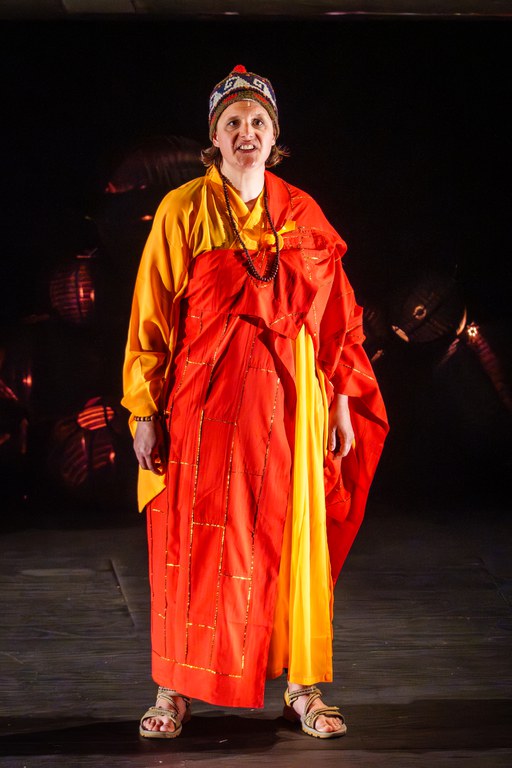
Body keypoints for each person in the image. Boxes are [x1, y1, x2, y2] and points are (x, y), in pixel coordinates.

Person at [122, 65, 388, 740]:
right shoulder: (184, 209)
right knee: (190, 546)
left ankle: (303, 686)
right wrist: (143, 411)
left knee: (293, 544)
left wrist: (342, 401)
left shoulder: (303, 212)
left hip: (291, 409)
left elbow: (337, 318)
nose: (248, 133)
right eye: (234, 123)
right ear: (214, 137)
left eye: (259, 122)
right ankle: (172, 689)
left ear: (276, 136)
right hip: (204, 411)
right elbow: (151, 314)